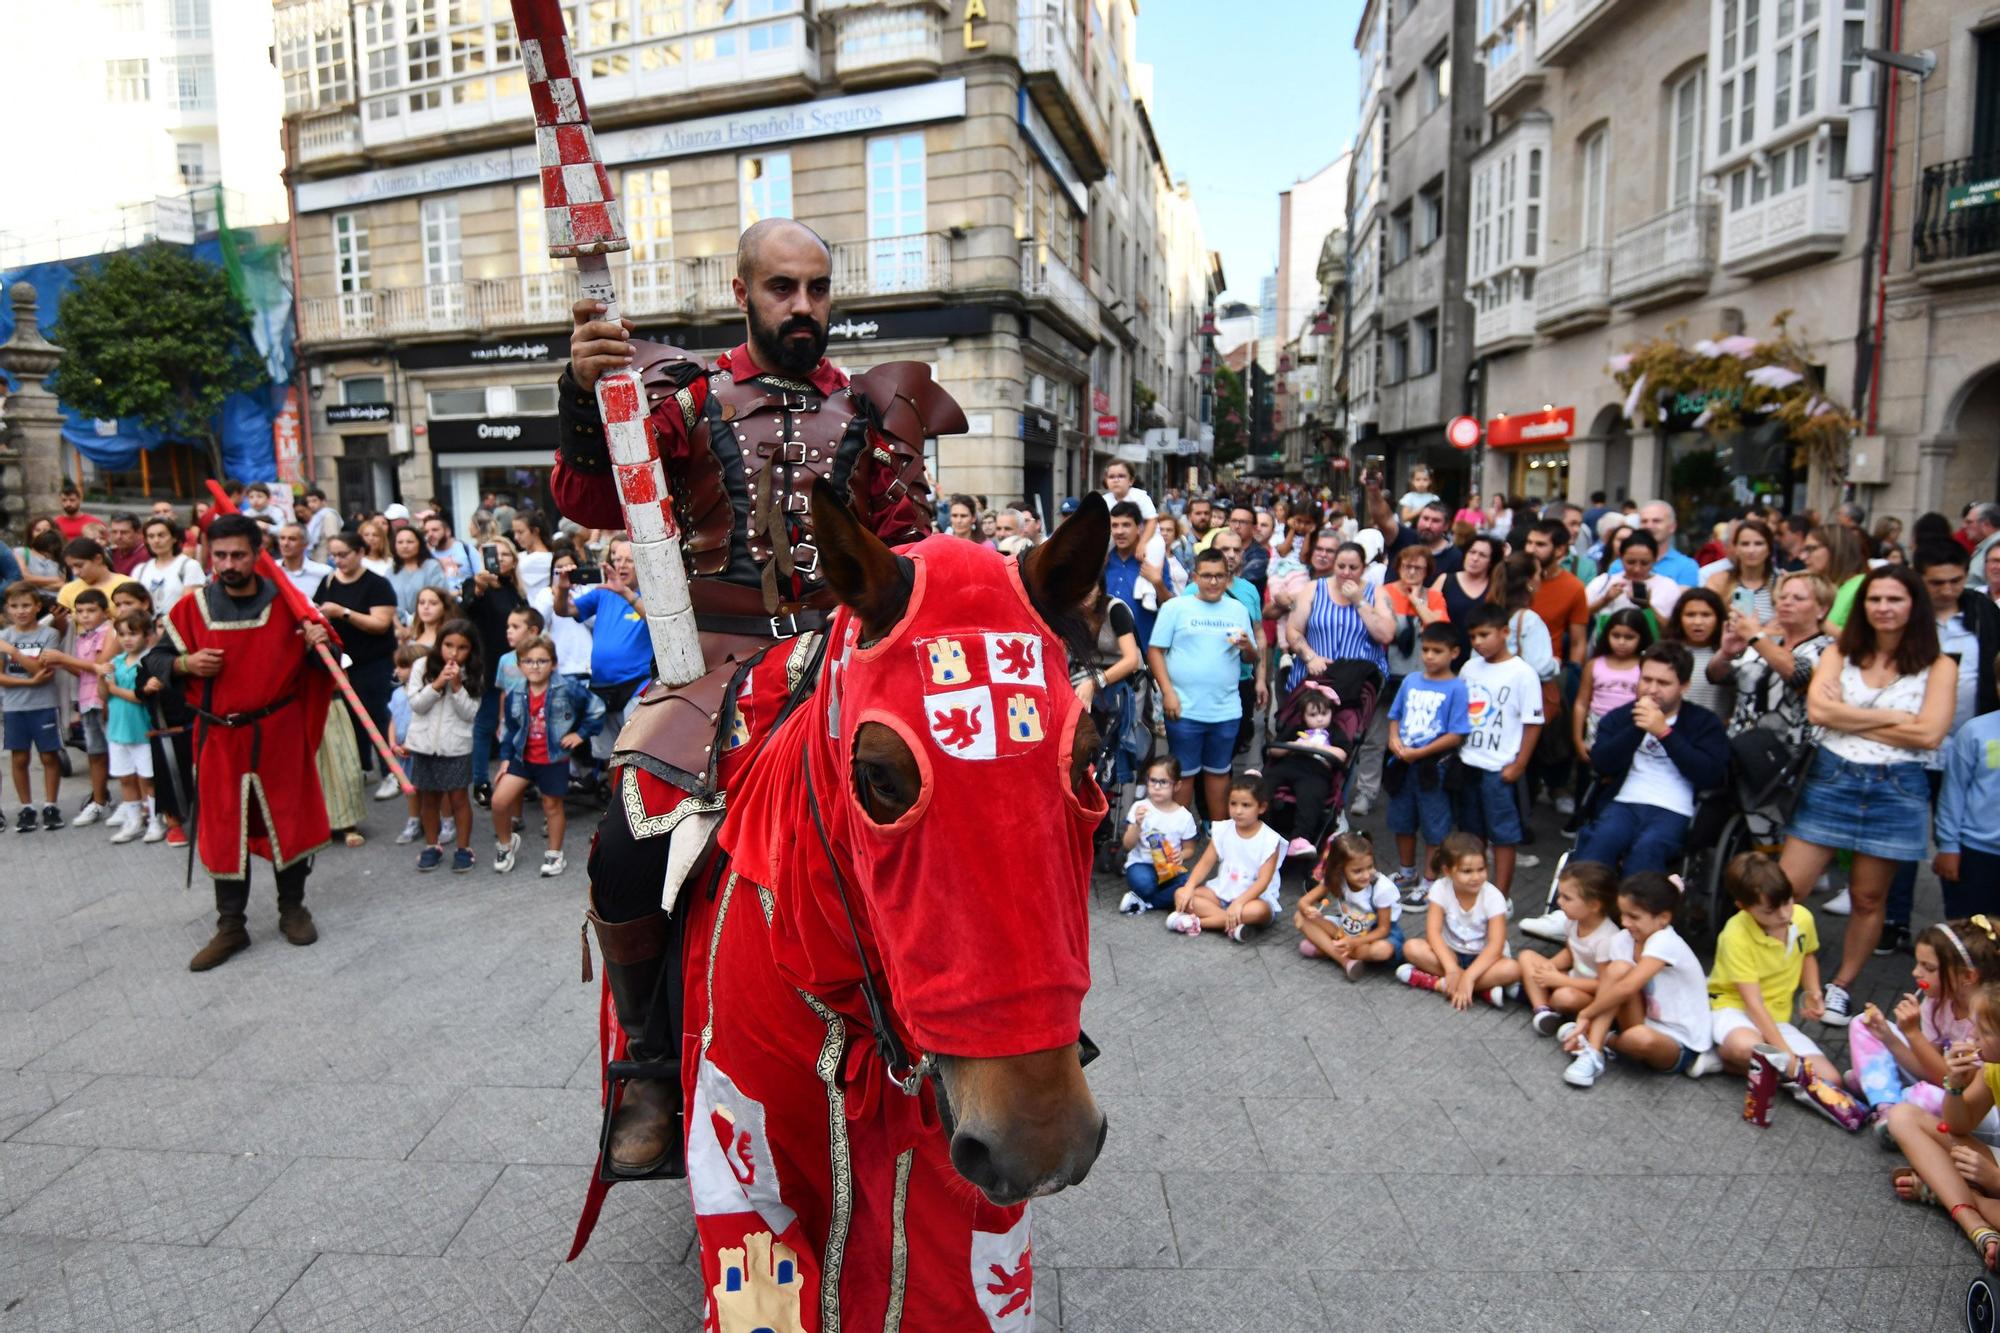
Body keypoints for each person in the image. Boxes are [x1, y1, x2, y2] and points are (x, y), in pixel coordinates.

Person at [1780, 565, 1957, 1025]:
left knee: (1868, 898)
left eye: (1894, 599)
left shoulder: (1940, 665)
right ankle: (1781, 970)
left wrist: (1849, 713)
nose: (1883, 608)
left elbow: (1932, 734)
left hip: (1896, 787)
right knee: (1787, 889)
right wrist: (1899, 720)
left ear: (1913, 605)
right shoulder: (1841, 651)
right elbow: (1819, 711)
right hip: (1833, 776)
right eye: (1875, 599)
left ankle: (1841, 987)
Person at [166, 515, 333, 971]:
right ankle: (231, 926)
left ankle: (293, 909)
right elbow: (155, 663)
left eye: (238, 554)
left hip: (278, 731)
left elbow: (331, 665)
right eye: (219, 555)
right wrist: (185, 664)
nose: (228, 564)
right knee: (224, 828)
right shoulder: (191, 609)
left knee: (288, 821)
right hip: (218, 737)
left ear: (259, 553)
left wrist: (321, 642)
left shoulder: (289, 604)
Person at [1879, 546, 2000, 947]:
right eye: (1937, 582)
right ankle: (1895, 920)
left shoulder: (1983, 613)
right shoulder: (1908, 619)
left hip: (1970, 740)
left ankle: (1968, 931)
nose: (1948, 590)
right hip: (1916, 744)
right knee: (1904, 836)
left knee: (1961, 827)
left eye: (1956, 581)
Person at [1571, 642, 1730, 875]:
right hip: (1625, 801)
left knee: (1648, 849)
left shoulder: (1704, 722)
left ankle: (1636, 910)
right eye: (1646, 680)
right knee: (1601, 842)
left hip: (1675, 808)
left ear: (1684, 686)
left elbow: (1710, 775)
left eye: (1663, 683)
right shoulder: (1621, 717)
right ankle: (1578, 909)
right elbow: (1601, 763)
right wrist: (1639, 727)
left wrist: (1664, 732)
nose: (1652, 689)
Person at [1882, 983, 2000, 1270]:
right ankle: (1975, 1224)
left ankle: (1954, 1193)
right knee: (1904, 1117)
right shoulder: (1994, 1067)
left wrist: (1993, 1179)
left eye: (1983, 1031)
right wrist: (1955, 1086)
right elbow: (1958, 1124)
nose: (1972, 1036)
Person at [1557, 872, 1714, 1088]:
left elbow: (1627, 988)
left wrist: (1586, 1014)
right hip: (1641, 1020)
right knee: (1618, 970)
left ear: (1664, 918)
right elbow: (1617, 985)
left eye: (1634, 917)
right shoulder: (1624, 940)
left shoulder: (1666, 941)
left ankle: (1599, 1038)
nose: (1624, 922)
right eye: (1622, 915)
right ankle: (1593, 1053)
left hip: (1679, 1041)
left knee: (1639, 1039)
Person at [1149, 548, 1261, 819]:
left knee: (1219, 771)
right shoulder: (1175, 607)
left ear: (1227, 577)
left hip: (1225, 708)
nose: (1213, 582)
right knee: (1184, 775)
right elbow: (1154, 651)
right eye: (1207, 576)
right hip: (1184, 707)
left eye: (1220, 576)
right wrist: (1168, 693)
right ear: (1194, 577)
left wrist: (1248, 646)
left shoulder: (1237, 609)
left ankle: (1218, 831)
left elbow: (1252, 656)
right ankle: (1180, 835)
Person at [1706, 851, 1832, 1086]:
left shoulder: (1802, 917)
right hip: (1732, 1008)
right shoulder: (1735, 935)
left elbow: (1807, 955)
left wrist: (1813, 993)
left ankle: (1755, 1069)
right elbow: (1752, 1003)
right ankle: (1722, 1055)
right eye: (1770, 910)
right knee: (1748, 1049)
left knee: (1831, 1079)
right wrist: (1786, 1054)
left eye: (1787, 902)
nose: (1784, 915)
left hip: (1775, 1016)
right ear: (1742, 907)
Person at [1858, 919, 1999, 1116]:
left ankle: (1878, 1088)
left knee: (1924, 1094)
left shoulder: (1985, 1020)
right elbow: (1925, 1068)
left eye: (1929, 968)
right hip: (1938, 1080)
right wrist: (1887, 1037)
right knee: (1862, 1024)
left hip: (1964, 1103)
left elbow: (1955, 1084)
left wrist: (1912, 1033)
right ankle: (1885, 1101)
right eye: (1918, 964)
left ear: (1967, 976)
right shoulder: (1935, 1002)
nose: (1916, 973)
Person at [491, 634, 602, 876]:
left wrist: (580, 734)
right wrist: (506, 759)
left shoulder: (568, 689)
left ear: (553, 663)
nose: (535, 666)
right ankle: (506, 844)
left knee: (552, 806)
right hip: (523, 758)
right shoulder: (516, 693)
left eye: (542, 661)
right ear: (520, 665)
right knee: (499, 801)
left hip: (553, 759)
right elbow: (511, 730)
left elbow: (596, 709)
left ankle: (554, 854)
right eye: (528, 661)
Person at [1455, 604, 1544, 894]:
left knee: (1504, 835)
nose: (1478, 642)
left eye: (1485, 634)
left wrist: (1519, 765)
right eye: (1473, 637)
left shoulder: (1523, 673)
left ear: (1504, 632)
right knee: (1472, 833)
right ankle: (1475, 888)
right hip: (1469, 762)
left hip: (1500, 767)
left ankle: (1501, 895)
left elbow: (1533, 723)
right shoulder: (1469, 668)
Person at [1384, 621, 1471, 898]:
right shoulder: (1411, 680)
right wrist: (1393, 740)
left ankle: (1431, 879)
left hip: (1434, 766)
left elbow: (1456, 734)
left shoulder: (1457, 687)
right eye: (1426, 650)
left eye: (1437, 651)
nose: (1429, 656)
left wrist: (1421, 752)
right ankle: (1407, 872)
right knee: (1402, 821)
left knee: (1435, 826)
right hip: (1403, 762)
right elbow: (1394, 715)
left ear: (1454, 653)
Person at [313, 532, 401, 798]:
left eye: (343, 555)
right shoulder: (328, 581)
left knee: (377, 716)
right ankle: (362, 767)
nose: (338, 560)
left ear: (359, 553)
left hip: (373, 661)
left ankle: (391, 772)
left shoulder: (377, 584)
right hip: (341, 662)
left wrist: (343, 613)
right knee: (350, 717)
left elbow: (380, 624)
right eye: (334, 555)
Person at [1395, 832, 1519, 1009]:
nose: (1476, 877)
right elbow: (1433, 934)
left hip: (1484, 959)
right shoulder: (1440, 888)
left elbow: (1495, 946)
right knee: (1411, 948)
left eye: (1481, 869)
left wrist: (1469, 976)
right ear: (1447, 870)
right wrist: (1451, 968)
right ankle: (1482, 990)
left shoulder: (1493, 896)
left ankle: (1438, 983)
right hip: (1449, 953)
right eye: (1467, 871)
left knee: (1512, 969)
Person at [553, 538, 653, 745]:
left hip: (637, 687)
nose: (621, 565)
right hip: (601, 687)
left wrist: (624, 592)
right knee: (607, 758)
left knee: (634, 754)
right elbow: (564, 610)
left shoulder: (652, 594)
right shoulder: (603, 592)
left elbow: (657, 621)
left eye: (629, 560)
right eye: (617, 559)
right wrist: (562, 589)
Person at [1165, 775, 1285, 942]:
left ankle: (1198, 922)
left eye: (1246, 805)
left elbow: (1263, 881)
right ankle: (1231, 924)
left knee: (1259, 911)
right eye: (1233, 803)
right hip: (1221, 893)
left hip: (1252, 899)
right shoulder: (1223, 829)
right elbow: (1205, 863)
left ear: (1262, 807)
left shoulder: (1270, 840)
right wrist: (1189, 887)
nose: (1238, 810)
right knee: (1180, 894)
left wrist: (1239, 903)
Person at [406, 620, 482, 873]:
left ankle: (463, 848)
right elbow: (416, 704)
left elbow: (470, 712)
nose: (454, 653)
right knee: (429, 798)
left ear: (471, 650)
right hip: (425, 744)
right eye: (448, 645)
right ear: (439, 644)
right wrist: (438, 683)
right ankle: (432, 845)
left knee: (459, 798)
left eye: (462, 647)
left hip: (456, 745)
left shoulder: (473, 671)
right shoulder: (422, 666)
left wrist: (458, 686)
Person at [460, 537, 528, 805]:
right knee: (485, 724)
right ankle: (481, 782)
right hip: (488, 666)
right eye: (492, 554)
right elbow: (466, 608)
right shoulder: (477, 585)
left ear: (513, 561)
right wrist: (477, 586)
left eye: (504, 555)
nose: (498, 559)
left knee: (518, 723)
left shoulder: (514, 589)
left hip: (518, 667)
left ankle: (517, 776)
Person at [1520, 859, 1622, 1036]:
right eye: (1560, 895)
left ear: (1594, 905)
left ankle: (1534, 995)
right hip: (1572, 978)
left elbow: (1604, 985)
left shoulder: (1606, 938)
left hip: (1591, 994)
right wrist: (1551, 965)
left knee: (1564, 996)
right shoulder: (1572, 921)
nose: (1559, 902)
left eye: (1567, 898)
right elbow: (1570, 952)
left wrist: (1561, 981)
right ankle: (1543, 1011)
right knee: (1527, 956)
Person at [1282, 541, 1393, 694]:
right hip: (1314, 679)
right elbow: (1293, 629)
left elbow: (1386, 635)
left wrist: (1359, 601)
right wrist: (1310, 657)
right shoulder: (1313, 589)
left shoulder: (1377, 593)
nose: (1346, 572)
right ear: (1334, 565)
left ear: (1364, 568)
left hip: (1360, 685)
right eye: (1341, 566)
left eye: (1353, 568)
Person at [1936, 659, 2000, 919]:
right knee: (1971, 934)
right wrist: (1949, 846)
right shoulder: (1976, 731)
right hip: (1978, 851)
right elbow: (1953, 792)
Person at [1295, 831, 1402, 980]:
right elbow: (1303, 902)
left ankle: (1325, 949)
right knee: (1300, 916)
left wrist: (1353, 942)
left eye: (1370, 867)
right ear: (1340, 869)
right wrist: (1307, 909)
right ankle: (1346, 961)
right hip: (1346, 928)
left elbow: (1384, 929)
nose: (1366, 875)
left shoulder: (1381, 887)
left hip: (1373, 934)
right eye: (1357, 871)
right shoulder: (1337, 878)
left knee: (1382, 950)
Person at [0, 581, 64, 830]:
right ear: (7, 609)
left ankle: (51, 805)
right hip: (14, 707)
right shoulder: (3, 635)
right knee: (19, 757)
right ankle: (26, 807)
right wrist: (27, 683)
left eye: (26, 605)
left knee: (49, 755)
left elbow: (42, 671)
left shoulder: (49, 634)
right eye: (14, 606)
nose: (21, 611)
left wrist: (15, 653)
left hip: (44, 703)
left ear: (38, 606)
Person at [98, 609, 164, 844]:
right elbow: (103, 695)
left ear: (147, 635)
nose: (127, 639)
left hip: (142, 731)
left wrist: (114, 688)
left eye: (132, 634)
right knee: (125, 778)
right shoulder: (115, 662)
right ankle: (133, 820)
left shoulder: (149, 662)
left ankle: (156, 820)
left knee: (148, 780)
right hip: (118, 731)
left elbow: (140, 696)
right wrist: (101, 677)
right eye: (122, 634)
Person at [1262, 688, 1352, 856]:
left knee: (1311, 796)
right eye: (1313, 715)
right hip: (1291, 763)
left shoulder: (1334, 731)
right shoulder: (1296, 729)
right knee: (1266, 782)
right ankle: (1256, 824)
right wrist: (1296, 745)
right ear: (1303, 716)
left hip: (1316, 771)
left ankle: (1300, 838)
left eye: (1324, 713)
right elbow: (1274, 750)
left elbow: (1342, 754)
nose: (1319, 719)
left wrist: (1316, 746)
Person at [1118, 756, 1197, 915]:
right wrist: (1137, 825)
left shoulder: (1184, 817)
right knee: (1145, 884)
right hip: (1141, 864)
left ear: (1177, 785)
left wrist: (1181, 855)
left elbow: (1190, 849)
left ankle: (1146, 903)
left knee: (1189, 882)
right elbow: (1127, 845)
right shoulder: (1139, 807)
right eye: (1152, 781)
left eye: (1163, 782)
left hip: (1169, 868)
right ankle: (1156, 898)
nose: (1157, 787)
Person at [1585, 530, 1681, 631]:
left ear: (1655, 559)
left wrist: (1647, 607)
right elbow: (1579, 616)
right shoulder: (1603, 582)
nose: (1637, 569)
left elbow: (1673, 630)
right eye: (1631, 562)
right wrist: (1605, 600)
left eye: (1644, 563)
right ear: (1621, 558)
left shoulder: (1668, 586)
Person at [1434, 534, 1506, 664]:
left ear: (1491, 562)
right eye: (1472, 552)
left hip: (1482, 659)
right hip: (1445, 657)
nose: (1475, 558)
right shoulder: (1445, 580)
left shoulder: (1495, 587)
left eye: (1482, 555)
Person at [1662, 588, 1733, 718]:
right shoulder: (1665, 653)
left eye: (1706, 615)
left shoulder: (1729, 654)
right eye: (1690, 615)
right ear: (1679, 618)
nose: (1698, 622)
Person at [1104, 501, 1163, 652]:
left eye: (1126, 525)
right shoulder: (1103, 561)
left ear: (1139, 528)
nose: (1120, 531)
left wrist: (1158, 583)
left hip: (1145, 651)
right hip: (1106, 653)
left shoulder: (1153, 560)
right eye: (1114, 525)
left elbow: (1170, 605)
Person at [1605, 501, 1700, 587]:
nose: (1649, 526)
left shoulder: (1686, 566)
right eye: (1644, 521)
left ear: (1672, 527)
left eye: (1656, 521)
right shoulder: (1619, 565)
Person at [1706, 518, 1781, 624]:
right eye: (1745, 544)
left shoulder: (1781, 582)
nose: (1751, 550)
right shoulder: (1719, 581)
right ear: (1736, 548)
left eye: (1758, 544)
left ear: (1769, 549)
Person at [135, 516, 205, 619]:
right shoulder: (140, 569)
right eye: (151, 536)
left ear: (174, 538)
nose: (156, 540)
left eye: (161, 535)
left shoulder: (189, 566)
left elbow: (191, 607)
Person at [1805, 524, 1869, 629]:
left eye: (1812, 549)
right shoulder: (1828, 586)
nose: (1804, 556)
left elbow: (1860, 641)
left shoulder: (1862, 586)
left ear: (1835, 549)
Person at [386, 526, 448, 623]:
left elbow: (440, 597)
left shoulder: (432, 567)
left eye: (410, 542)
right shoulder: (390, 572)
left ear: (419, 544)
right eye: (400, 542)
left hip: (427, 623)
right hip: (398, 628)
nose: (405, 546)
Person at [56, 538, 125, 613]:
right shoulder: (67, 590)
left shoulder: (125, 585)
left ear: (98, 559)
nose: (75, 572)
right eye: (71, 567)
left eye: (79, 566)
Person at [422, 512, 481, 593]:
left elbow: (481, 577)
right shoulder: (428, 557)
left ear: (447, 531)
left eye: (435, 530)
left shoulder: (466, 549)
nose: (430, 534)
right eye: (426, 532)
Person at [274, 525, 331, 603]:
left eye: (292, 539)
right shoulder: (271, 569)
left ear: (305, 544)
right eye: (282, 538)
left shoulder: (323, 572)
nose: (285, 543)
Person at [510, 510, 557, 599]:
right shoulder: (524, 556)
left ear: (535, 531)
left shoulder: (538, 559)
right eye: (514, 532)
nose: (516, 537)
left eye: (520, 532)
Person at [1965, 501, 2000, 591]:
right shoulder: (1985, 545)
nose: (1964, 526)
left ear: (1985, 524)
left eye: (1969, 522)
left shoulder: (1996, 546)